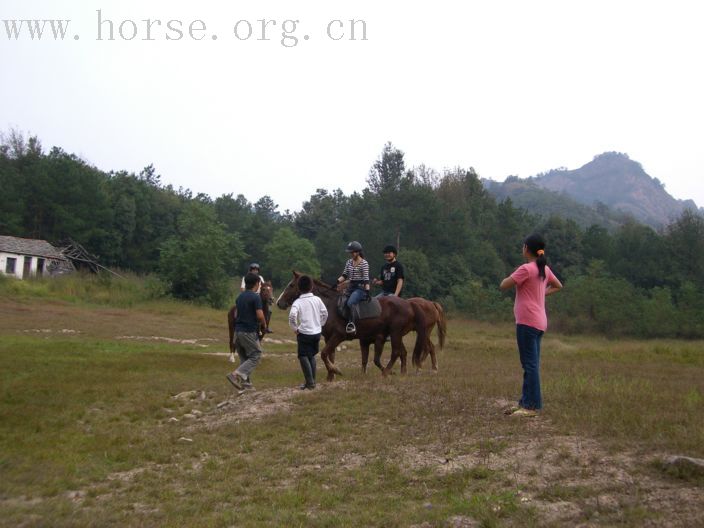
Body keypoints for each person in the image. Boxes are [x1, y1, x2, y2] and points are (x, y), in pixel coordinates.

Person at [500, 233, 563, 417]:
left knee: (530, 364)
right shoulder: (544, 269)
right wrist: (541, 293)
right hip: (539, 322)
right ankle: (525, 402)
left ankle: (531, 406)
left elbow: (504, 285)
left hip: (527, 322)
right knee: (531, 363)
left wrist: (517, 280)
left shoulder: (526, 269)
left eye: (523, 246)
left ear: (527, 248)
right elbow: (559, 285)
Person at [227, 272, 267, 391]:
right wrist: (264, 325)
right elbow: (260, 315)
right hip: (248, 331)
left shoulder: (240, 297)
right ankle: (234, 375)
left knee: (244, 358)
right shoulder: (256, 297)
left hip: (237, 332)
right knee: (256, 355)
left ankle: (246, 385)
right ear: (257, 284)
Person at [288, 275, 328, 390]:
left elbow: (292, 316)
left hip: (304, 333)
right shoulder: (317, 299)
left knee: (303, 356)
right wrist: (320, 324)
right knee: (311, 355)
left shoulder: (298, 302)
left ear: (299, 288)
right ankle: (311, 382)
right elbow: (325, 313)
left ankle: (310, 383)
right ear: (311, 287)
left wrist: (295, 328)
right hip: (317, 333)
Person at [337, 241, 370, 334]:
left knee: (350, 302)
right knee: (340, 301)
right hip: (350, 287)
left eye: (353, 252)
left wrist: (367, 291)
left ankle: (352, 324)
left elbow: (366, 279)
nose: (351, 254)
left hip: (360, 288)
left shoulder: (364, 263)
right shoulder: (349, 262)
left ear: (358, 252)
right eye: (350, 252)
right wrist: (337, 281)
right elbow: (344, 275)